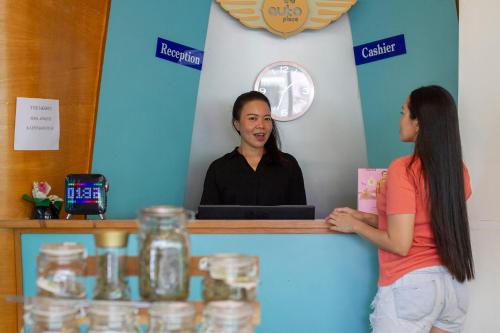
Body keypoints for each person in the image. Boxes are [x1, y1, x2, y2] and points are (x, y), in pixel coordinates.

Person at [326, 85, 474, 333]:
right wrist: (364, 216)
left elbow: (400, 243)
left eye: (404, 112)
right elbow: (425, 222)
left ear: (418, 123)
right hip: (453, 287)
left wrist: (355, 226)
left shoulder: (403, 169)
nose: (400, 119)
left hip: (412, 289)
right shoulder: (457, 170)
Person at [200, 91, 306, 205]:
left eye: (267, 118)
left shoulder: (289, 165)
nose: (261, 125)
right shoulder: (218, 169)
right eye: (252, 118)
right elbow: (207, 219)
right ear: (237, 124)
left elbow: (301, 218)